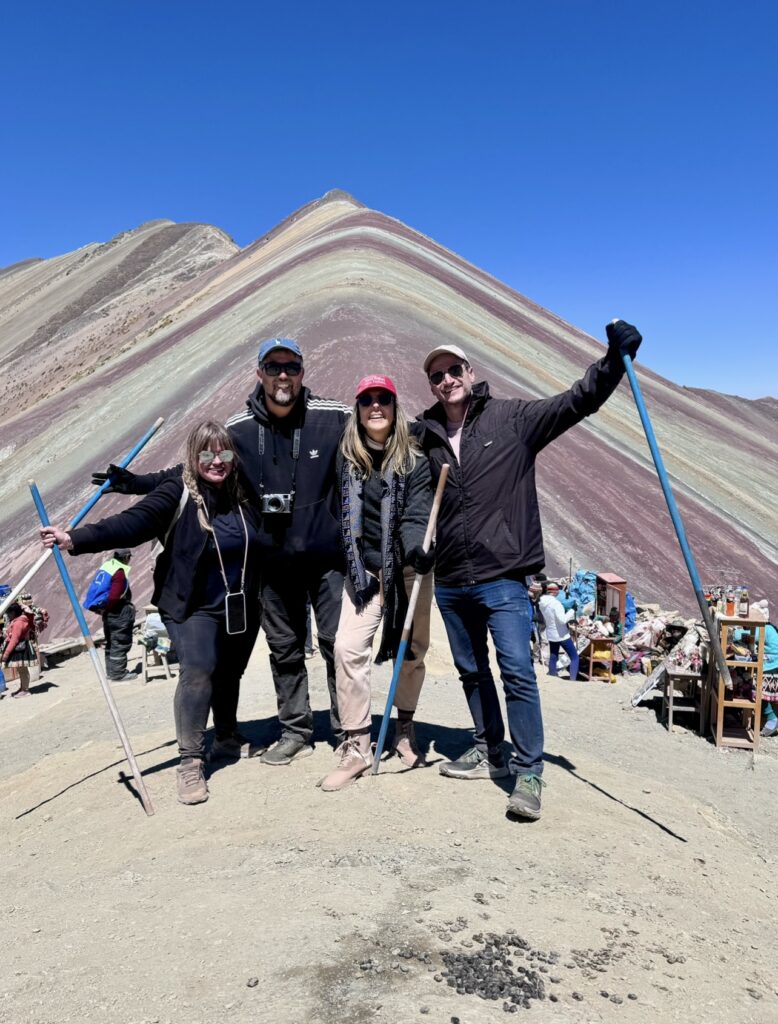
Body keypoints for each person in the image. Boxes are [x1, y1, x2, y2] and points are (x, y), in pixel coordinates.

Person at [418, 319, 643, 821]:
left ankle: (529, 771)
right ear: (431, 385)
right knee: (472, 671)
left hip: (502, 576)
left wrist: (612, 363)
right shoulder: (425, 435)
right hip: (451, 580)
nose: (447, 380)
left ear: (470, 372)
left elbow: (575, 401)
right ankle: (487, 747)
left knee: (517, 671)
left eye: (454, 369)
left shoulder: (512, 419)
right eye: (437, 375)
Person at [93, 339, 351, 765]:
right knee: (285, 650)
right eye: (273, 366)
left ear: (303, 371)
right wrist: (137, 483)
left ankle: (347, 731)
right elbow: (198, 465)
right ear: (259, 373)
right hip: (271, 563)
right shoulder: (239, 427)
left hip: (327, 559)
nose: (282, 375)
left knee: (336, 646)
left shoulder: (334, 416)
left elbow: (376, 441)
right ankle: (295, 730)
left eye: (291, 367)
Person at [41, 420, 262, 805]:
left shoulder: (241, 490)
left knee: (229, 671)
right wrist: (74, 539)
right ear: (193, 457)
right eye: (206, 454)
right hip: (189, 605)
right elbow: (133, 523)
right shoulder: (178, 491)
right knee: (198, 669)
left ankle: (226, 736)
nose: (217, 461)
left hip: (238, 604)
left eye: (224, 453)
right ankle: (190, 761)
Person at [320, 375, 434, 791]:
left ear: (395, 405)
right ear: (357, 408)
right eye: (367, 399)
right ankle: (357, 744)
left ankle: (404, 726)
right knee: (347, 647)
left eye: (383, 398)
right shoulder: (346, 458)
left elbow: (416, 514)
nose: (375, 406)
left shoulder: (415, 461)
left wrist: (417, 548)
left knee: (413, 651)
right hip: (363, 573)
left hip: (408, 569)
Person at [93, 550, 136, 681]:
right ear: (126, 557)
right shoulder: (119, 573)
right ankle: (118, 673)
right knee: (120, 642)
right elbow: (115, 596)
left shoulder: (109, 567)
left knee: (111, 642)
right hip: (118, 612)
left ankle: (111, 671)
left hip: (109, 614)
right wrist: (108, 608)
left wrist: (103, 610)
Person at [538, 582, 579, 680]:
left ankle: (552, 674)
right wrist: (572, 610)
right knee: (574, 657)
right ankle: (573, 679)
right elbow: (562, 620)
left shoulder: (541, 602)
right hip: (561, 634)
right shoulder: (556, 604)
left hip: (551, 633)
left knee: (553, 654)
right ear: (555, 592)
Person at [0, 603, 35, 698]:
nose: (8, 615)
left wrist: (6, 654)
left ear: (14, 612)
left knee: (23, 670)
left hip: (20, 649)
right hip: (19, 648)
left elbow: (14, 640)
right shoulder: (17, 621)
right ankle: (22, 688)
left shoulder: (18, 623)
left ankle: (25, 690)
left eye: (9, 613)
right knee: (21, 669)